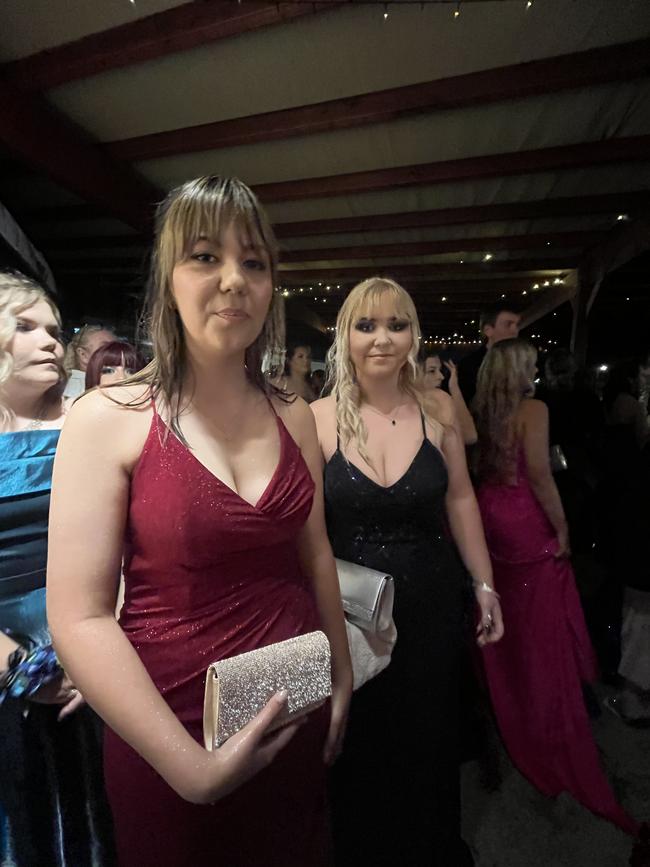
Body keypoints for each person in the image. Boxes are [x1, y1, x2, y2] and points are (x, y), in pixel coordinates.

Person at [46, 176, 352, 867]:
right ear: (167, 276)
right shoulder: (108, 419)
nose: (234, 280)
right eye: (206, 256)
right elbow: (80, 615)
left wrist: (339, 674)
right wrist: (189, 767)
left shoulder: (293, 413)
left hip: (289, 702)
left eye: (254, 261)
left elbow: (316, 552)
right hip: (168, 731)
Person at [311, 277, 503, 867]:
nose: (382, 339)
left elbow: (462, 501)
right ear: (345, 336)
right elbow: (308, 535)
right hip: (350, 613)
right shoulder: (315, 419)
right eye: (366, 325)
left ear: (414, 335)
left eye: (396, 325)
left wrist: (485, 582)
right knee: (361, 742)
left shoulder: (438, 408)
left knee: (428, 736)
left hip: (431, 604)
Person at [473, 338, 639, 836]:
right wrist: (563, 529)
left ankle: (514, 698)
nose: (539, 369)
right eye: (533, 363)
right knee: (542, 624)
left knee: (513, 620)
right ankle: (550, 711)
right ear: (521, 368)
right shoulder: (533, 408)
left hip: (490, 518)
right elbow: (542, 477)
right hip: (525, 521)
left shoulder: (481, 411)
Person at [0, 270, 114, 866]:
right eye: (25, 326)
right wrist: (18, 666)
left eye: (53, 330)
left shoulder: (88, 422)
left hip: (91, 649)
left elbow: (125, 543)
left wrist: (93, 648)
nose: (49, 341)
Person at [457, 302, 521, 406]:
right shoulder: (469, 366)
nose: (515, 330)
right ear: (488, 330)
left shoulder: (521, 362)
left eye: (516, 325)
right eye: (508, 324)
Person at [422, 352, 477, 444]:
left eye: (440, 370)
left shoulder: (440, 401)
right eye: (432, 371)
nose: (441, 377)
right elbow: (470, 436)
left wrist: (454, 388)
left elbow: (470, 436)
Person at [63, 323, 115, 400]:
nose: (115, 352)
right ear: (83, 354)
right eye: (105, 347)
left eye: (116, 347)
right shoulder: (77, 389)